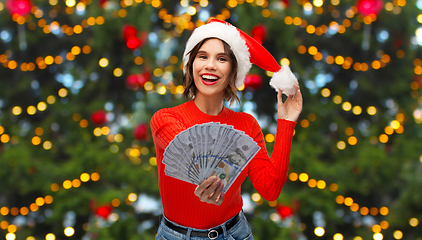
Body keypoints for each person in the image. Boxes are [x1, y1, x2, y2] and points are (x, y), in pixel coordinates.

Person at [150, 19, 303, 240]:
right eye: (202, 56)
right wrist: (211, 180)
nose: (210, 65)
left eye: (221, 59)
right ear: (191, 65)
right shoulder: (166, 118)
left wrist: (286, 122)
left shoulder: (247, 125)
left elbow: (270, 190)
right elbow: (193, 160)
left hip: (235, 233)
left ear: (233, 71)